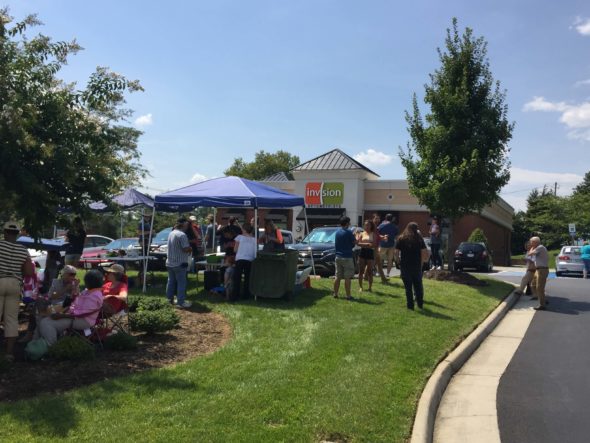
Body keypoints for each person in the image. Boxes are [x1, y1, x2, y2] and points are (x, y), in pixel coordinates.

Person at [39, 270, 104, 346]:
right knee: (45, 319)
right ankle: (45, 343)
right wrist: (66, 311)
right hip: (75, 317)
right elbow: (77, 304)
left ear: (89, 282)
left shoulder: (94, 296)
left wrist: (62, 315)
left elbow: (82, 314)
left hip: (84, 321)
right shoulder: (88, 291)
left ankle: (51, 346)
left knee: (47, 323)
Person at [0, 221, 34, 359]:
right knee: (11, 320)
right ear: (17, 234)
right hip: (15, 284)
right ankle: (9, 354)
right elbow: (29, 272)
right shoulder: (23, 250)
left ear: (5, 232)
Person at [394, 222, 428, 310]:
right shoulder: (419, 239)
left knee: (408, 287)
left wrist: (398, 261)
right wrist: (422, 263)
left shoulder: (401, 238)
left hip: (405, 265)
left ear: (407, 228)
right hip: (416, 265)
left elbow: (396, 252)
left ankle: (410, 306)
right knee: (418, 286)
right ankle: (420, 304)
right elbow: (424, 252)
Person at [166, 217, 193, 308]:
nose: (187, 227)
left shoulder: (171, 233)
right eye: (187, 225)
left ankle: (169, 300)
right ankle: (180, 302)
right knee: (181, 283)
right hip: (180, 263)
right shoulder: (182, 235)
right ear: (184, 225)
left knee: (171, 282)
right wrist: (190, 248)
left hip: (170, 262)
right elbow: (185, 248)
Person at [231, 223, 256, 301]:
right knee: (247, 278)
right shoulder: (254, 239)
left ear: (244, 230)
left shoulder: (239, 237)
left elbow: (235, 250)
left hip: (240, 259)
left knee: (237, 278)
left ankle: (235, 295)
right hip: (250, 260)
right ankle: (246, 295)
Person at [333, 216, 356, 300]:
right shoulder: (349, 232)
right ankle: (348, 296)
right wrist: (355, 236)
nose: (349, 224)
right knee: (347, 277)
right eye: (349, 222)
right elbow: (354, 243)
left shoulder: (337, 232)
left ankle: (335, 293)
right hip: (347, 257)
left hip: (338, 256)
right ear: (347, 223)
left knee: (337, 276)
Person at [356, 220, 379, 292]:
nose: (366, 226)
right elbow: (358, 243)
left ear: (371, 226)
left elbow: (374, 245)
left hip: (370, 253)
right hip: (362, 252)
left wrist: (365, 244)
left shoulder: (373, 234)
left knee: (369, 271)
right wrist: (367, 244)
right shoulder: (362, 233)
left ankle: (370, 287)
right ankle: (361, 287)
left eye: (368, 225)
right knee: (361, 271)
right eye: (365, 225)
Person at [528, 236, 549, 310]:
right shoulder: (537, 248)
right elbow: (531, 256)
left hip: (542, 270)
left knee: (539, 287)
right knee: (533, 284)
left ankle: (542, 305)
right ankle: (542, 298)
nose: (530, 243)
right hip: (538, 270)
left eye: (531, 242)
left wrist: (531, 249)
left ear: (535, 242)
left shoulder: (540, 247)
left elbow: (530, 254)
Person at [378, 214, 399, 278]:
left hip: (382, 244)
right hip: (391, 245)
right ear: (392, 219)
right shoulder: (395, 226)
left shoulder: (381, 225)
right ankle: (388, 274)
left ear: (385, 218)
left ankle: (380, 273)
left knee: (380, 259)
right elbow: (396, 236)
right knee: (390, 260)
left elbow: (378, 233)